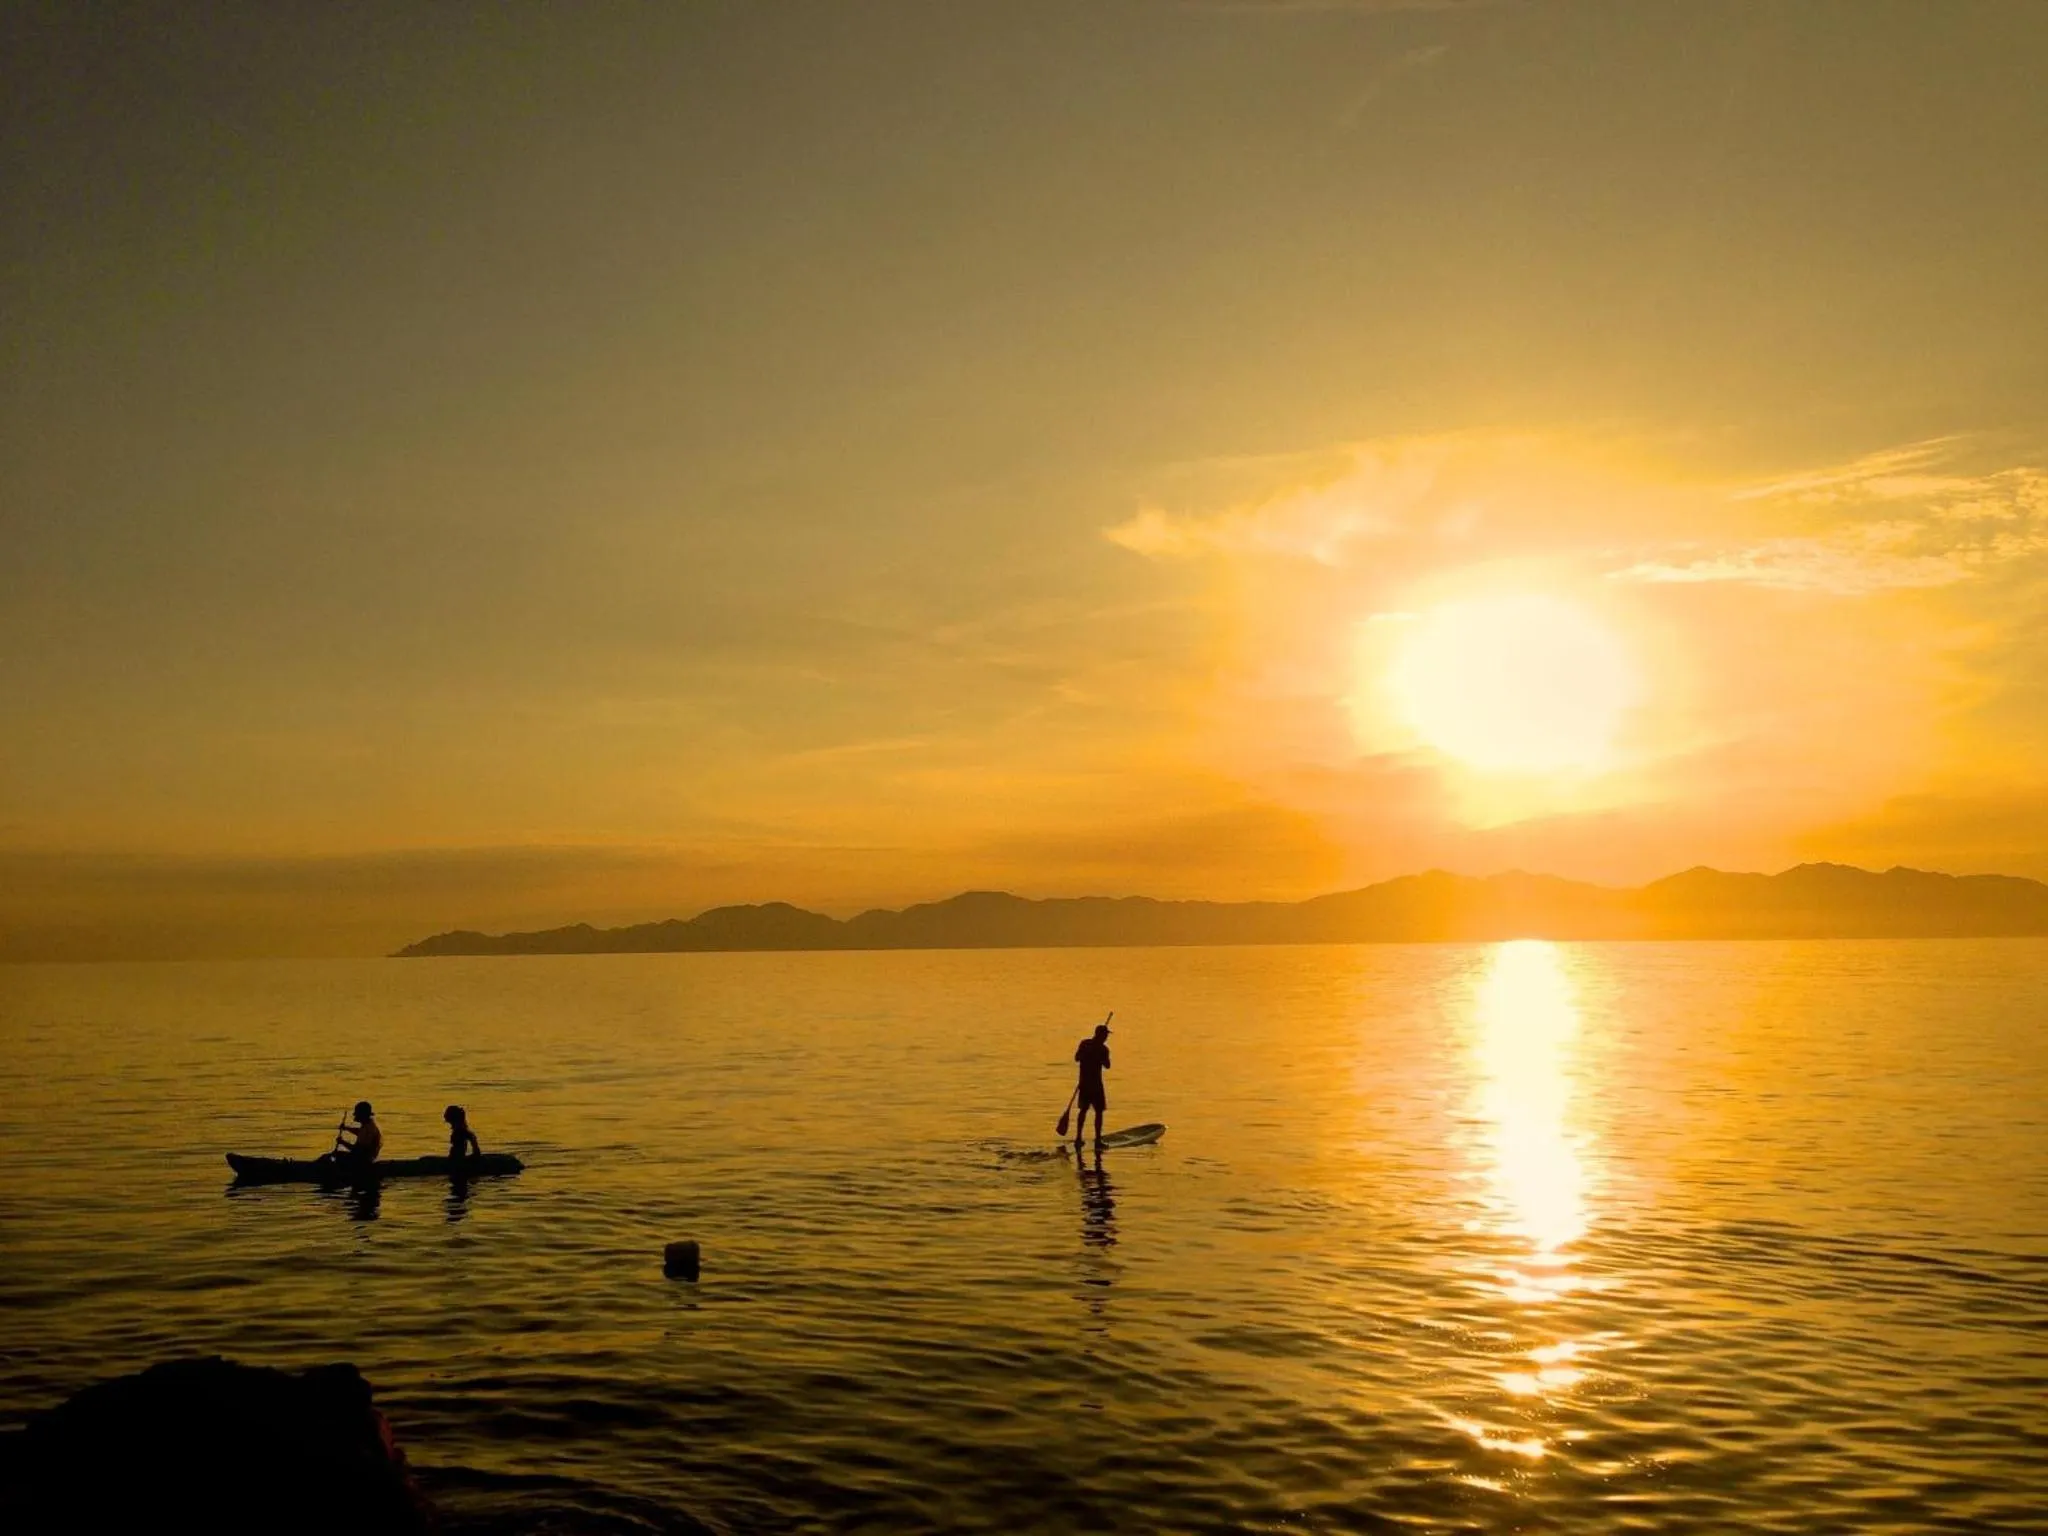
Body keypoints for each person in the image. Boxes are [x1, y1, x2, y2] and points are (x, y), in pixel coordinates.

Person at [1072, 1021, 1111, 1150]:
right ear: (1099, 1035)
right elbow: (1077, 1058)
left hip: (1087, 1083)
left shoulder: (1094, 1046)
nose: (1106, 1038)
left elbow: (1106, 1065)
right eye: (1105, 1035)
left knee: (1093, 1111)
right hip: (1091, 1084)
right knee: (1091, 1111)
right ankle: (1084, 1138)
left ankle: (1090, 1139)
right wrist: (1095, 1054)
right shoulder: (1089, 1045)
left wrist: (1097, 1054)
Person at [323, 1101, 382, 1167]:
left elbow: (358, 1150)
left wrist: (342, 1142)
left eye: (357, 1114)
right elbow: (360, 1132)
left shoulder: (369, 1129)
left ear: (362, 1115)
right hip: (363, 1157)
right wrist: (346, 1128)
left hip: (363, 1159)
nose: (355, 1116)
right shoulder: (367, 1125)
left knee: (334, 1156)